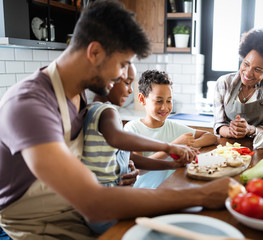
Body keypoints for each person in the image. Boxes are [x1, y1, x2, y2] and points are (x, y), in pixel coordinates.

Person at [0, 1, 230, 239]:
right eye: (122, 64)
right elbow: (93, 203)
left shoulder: (78, 97)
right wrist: (202, 195)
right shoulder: (29, 105)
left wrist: (124, 167)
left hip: (75, 210)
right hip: (41, 223)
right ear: (95, 52)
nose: (123, 75)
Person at [82, 64, 195, 234]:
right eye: (127, 83)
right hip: (107, 203)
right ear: (109, 81)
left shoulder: (95, 110)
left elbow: (133, 159)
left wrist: (172, 165)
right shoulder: (106, 111)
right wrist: (168, 146)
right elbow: (118, 139)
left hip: (105, 203)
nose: (129, 91)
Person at [125, 70, 218, 188]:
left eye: (169, 101)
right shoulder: (132, 128)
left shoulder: (172, 126)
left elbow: (211, 137)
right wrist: (174, 146)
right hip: (147, 192)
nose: (165, 107)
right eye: (159, 101)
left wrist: (189, 145)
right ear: (142, 99)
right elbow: (140, 168)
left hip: (173, 186)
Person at [213, 28, 263, 139]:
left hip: (258, 147)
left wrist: (250, 130)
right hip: (227, 149)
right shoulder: (224, 83)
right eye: (246, 64)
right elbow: (219, 124)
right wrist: (232, 131)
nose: (248, 73)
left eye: (258, 69)